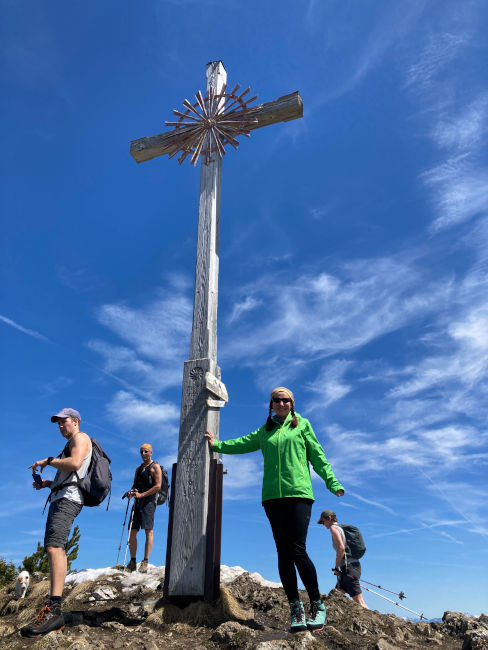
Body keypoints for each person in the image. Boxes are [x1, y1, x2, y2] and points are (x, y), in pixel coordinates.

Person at [205, 386, 344, 633]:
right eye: (276, 400)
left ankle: (317, 605)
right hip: (272, 498)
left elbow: (318, 456)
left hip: (299, 495)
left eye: (285, 400)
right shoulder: (265, 431)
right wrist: (217, 445)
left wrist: (331, 481)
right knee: (283, 553)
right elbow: (243, 442)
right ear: (271, 405)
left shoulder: (302, 426)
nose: (281, 403)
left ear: (292, 403)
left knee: (298, 550)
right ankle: (295, 608)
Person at [23, 408, 92, 638]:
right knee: (54, 547)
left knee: (55, 547)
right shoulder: (72, 441)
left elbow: (74, 464)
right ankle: (54, 607)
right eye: (58, 423)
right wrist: (46, 484)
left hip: (68, 500)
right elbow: (68, 475)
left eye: (64, 422)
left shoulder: (81, 438)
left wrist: (50, 460)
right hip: (62, 496)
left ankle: (55, 609)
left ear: (76, 421)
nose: (61, 426)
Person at [317, 509, 368, 609]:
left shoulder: (334, 528)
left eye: (323, 521)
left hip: (349, 568)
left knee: (359, 601)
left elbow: (341, 548)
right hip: (352, 566)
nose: (323, 524)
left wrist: (336, 567)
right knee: (337, 594)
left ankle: (372, 622)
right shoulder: (341, 529)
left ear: (329, 518)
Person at [127, 443, 162, 573]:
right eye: (141, 452)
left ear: (151, 452)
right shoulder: (139, 468)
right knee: (132, 530)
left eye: (145, 451)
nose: (143, 454)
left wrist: (142, 495)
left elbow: (158, 486)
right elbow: (135, 484)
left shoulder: (155, 467)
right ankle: (132, 561)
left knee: (148, 530)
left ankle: (145, 561)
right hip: (137, 502)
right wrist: (132, 492)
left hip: (149, 502)